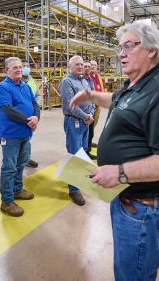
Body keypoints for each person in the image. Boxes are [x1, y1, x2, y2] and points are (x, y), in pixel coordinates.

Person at [69, 21, 159, 280]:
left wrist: (120, 173)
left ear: (151, 50)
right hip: (128, 201)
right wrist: (91, 95)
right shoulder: (135, 86)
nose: (121, 53)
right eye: (120, 47)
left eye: (129, 46)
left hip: (146, 208)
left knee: (132, 275)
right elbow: (117, 100)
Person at [0, 57, 40, 217]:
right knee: (9, 168)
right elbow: (7, 108)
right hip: (10, 134)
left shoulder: (26, 86)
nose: (19, 70)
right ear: (7, 70)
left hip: (25, 134)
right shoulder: (2, 87)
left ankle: (17, 190)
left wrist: (36, 117)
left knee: (21, 163)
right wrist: (28, 120)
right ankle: (6, 201)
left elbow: (34, 104)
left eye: (20, 67)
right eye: (15, 67)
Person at [59, 55, 94, 206]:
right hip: (74, 122)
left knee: (83, 151)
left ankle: (80, 179)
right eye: (77, 65)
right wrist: (86, 116)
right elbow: (70, 105)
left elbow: (91, 98)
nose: (80, 67)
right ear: (70, 67)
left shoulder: (84, 80)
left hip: (85, 121)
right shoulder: (67, 82)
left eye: (81, 65)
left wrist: (91, 113)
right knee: (75, 154)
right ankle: (73, 189)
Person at [22, 60, 40, 169]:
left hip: (31, 115)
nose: (25, 68)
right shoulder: (17, 81)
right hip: (20, 115)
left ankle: (26, 158)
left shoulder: (32, 81)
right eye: (23, 66)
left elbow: (37, 95)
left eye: (27, 66)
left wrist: (34, 107)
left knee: (28, 138)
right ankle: (22, 159)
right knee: (20, 138)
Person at [88, 59, 104, 150]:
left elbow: (100, 88)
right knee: (89, 124)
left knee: (94, 123)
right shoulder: (88, 77)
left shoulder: (98, 76)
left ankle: (90, 140)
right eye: (92, 65)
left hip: (98, 105)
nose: (93, 66)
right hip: (91, 105)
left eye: (95, 65)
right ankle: (87, 143)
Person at [82, 61, 96, 160]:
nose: (87, 68)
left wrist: (91, 112)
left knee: (90, 133)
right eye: (85, 66)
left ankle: (87, 151)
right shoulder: (80, 80)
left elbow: (92, 95)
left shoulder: (90, 79)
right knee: (81, 135)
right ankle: (81, 155)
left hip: (90, 111)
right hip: (82, 112)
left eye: (89, 67)